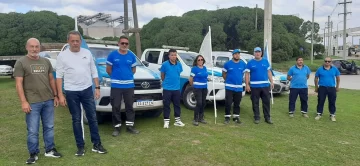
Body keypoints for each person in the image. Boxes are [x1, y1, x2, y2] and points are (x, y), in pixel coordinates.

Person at [56, 30, 107, 156]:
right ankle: (80, 147)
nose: (75, 43)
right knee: (76, 119)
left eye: (77, 41)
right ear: (68, 41)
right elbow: (59, 76)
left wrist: (97, 87)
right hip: (71, 92)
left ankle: (97, 144)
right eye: (72, 41)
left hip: (87, 90)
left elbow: (93, 70)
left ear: (80, 41)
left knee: (92, 118)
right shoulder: (62, 56)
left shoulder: (87, 53)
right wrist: (60, 95)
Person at [14, 38, 62, 164]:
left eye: (37, 46)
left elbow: (51, 79)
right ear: (27, 47)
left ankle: (50, 150)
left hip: (48, 100)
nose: (35, 49)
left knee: (49, 127)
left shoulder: (45, 61)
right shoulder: (21, 62)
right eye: (32, 46)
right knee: (33, 130)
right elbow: (19, 84)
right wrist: (24, 102)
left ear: (40, 48)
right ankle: (33, 153)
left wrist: (55, 96)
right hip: (32, 102)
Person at [106, 36, 139, 136]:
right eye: (122, 43)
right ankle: (117, 127)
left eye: (126, 43)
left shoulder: (131, 56)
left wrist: (126, 77)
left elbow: (133, 70)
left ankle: (130, 126)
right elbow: (108, 70)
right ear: (118, 44)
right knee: (116, 106)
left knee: (129, 106)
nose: (124, 45)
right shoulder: (112, 55)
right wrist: (116, 77)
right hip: (116, 86)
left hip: (129, 85)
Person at [245, 47, 274, 124]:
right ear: (254, 53)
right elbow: (247, 74)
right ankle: (256, 117)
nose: (257, 53)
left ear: (261, 53)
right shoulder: (250, 63)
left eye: (259, 52)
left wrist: (271, 81)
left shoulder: (265, 61)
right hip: (254, 86)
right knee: (255, 102)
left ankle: (267, 118)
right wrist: (247, 85)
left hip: (265, 86)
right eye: (256, 52)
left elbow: (269, 72)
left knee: (266, 102)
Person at [160, 49, 185, 128]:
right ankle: (166, 121)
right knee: (166, 105)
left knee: (177, 105)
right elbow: (162, 76)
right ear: (169, 56)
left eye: (175, 55)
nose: (174, 56)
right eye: (172, 55)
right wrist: (166, 83)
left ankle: (177, 121)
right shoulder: (165, 64)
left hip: (176, 89)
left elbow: (178, 73)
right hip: (167, 89)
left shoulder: (179, 64)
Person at [222, 49, 247, 124]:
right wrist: (228, 80)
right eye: (235, 54)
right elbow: (224, 74)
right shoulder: (227, 64)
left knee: (237, 103)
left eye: (238, 54)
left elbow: (243, 74)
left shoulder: (243, 64)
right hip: (229, 87)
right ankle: (227, 117)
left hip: (239, 87)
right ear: (233, 55)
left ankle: (236, 117)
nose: (237, 55)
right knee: (228, 102)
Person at [314, 57, 340, 122]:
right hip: (322, 87)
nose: (327, 62)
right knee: (320, 101)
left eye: (329, 61)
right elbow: (316, 78)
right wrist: (316, 87)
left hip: (332, 88)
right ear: (324, 61)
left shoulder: (334, 69)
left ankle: (332, 115)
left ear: (331, 62)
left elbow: (338, 78)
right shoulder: (319, 69)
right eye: (326, 61)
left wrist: (337, 86)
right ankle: (319, 114)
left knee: (332, 101)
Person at [189, 55, 208, 126]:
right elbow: (191, 79)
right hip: (197, 88)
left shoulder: (205, 68)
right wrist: (193, 86)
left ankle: (201, 117)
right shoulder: (194, 69)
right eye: (199, 60)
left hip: (204, 87)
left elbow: (205, 77)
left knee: (203, 103)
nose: (200, 61)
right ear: (196, 61)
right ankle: (195, 119)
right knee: (199, 103)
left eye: (201, 59)